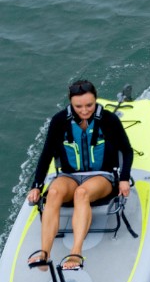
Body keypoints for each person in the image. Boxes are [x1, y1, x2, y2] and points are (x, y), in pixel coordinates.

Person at [27, 80, 134, 271]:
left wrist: (124, 178)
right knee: (53, 193)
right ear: (70, 102)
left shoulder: (109, 120)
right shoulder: (59, 121)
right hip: (69, 176)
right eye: (78, 106)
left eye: (89, 105)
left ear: (95, 100)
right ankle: (44, 254)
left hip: (102, 177)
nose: (84, 110)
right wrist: (36, 185)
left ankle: (75, 253)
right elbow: (46, 154)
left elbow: (127, 151)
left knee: (81, 193)